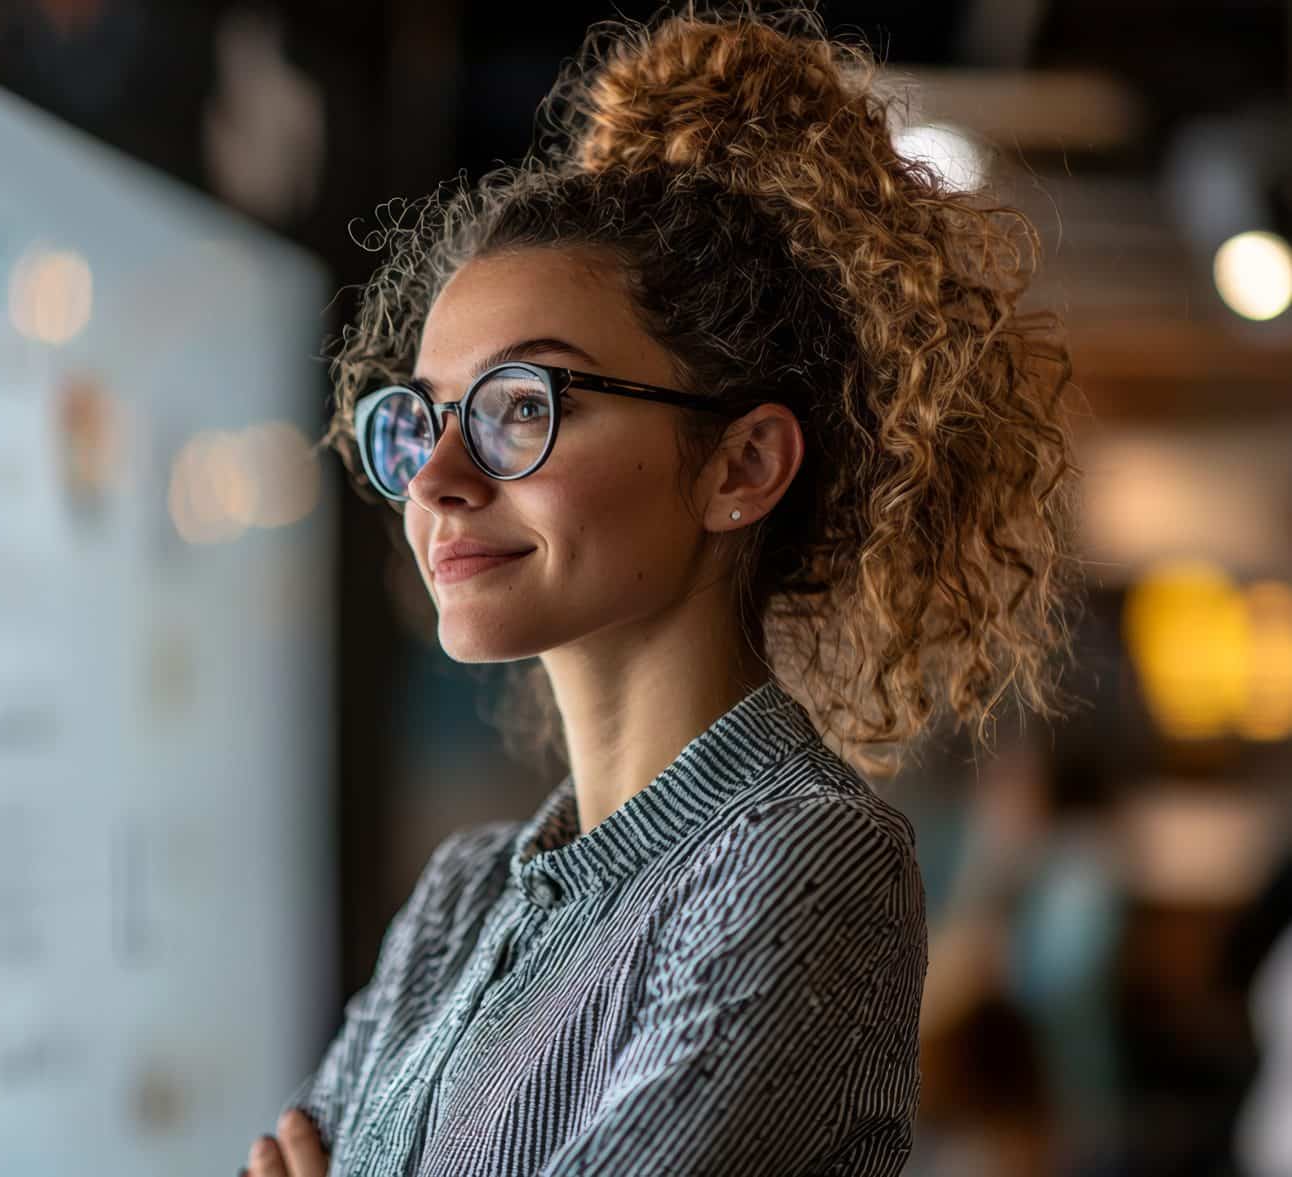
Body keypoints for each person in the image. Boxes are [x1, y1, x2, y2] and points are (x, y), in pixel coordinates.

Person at [240, 5, 1080, 1175]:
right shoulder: (463, 896)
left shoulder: (807, 856)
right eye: (424, 417)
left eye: (523, 406)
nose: (434, 478)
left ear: (742, 466)